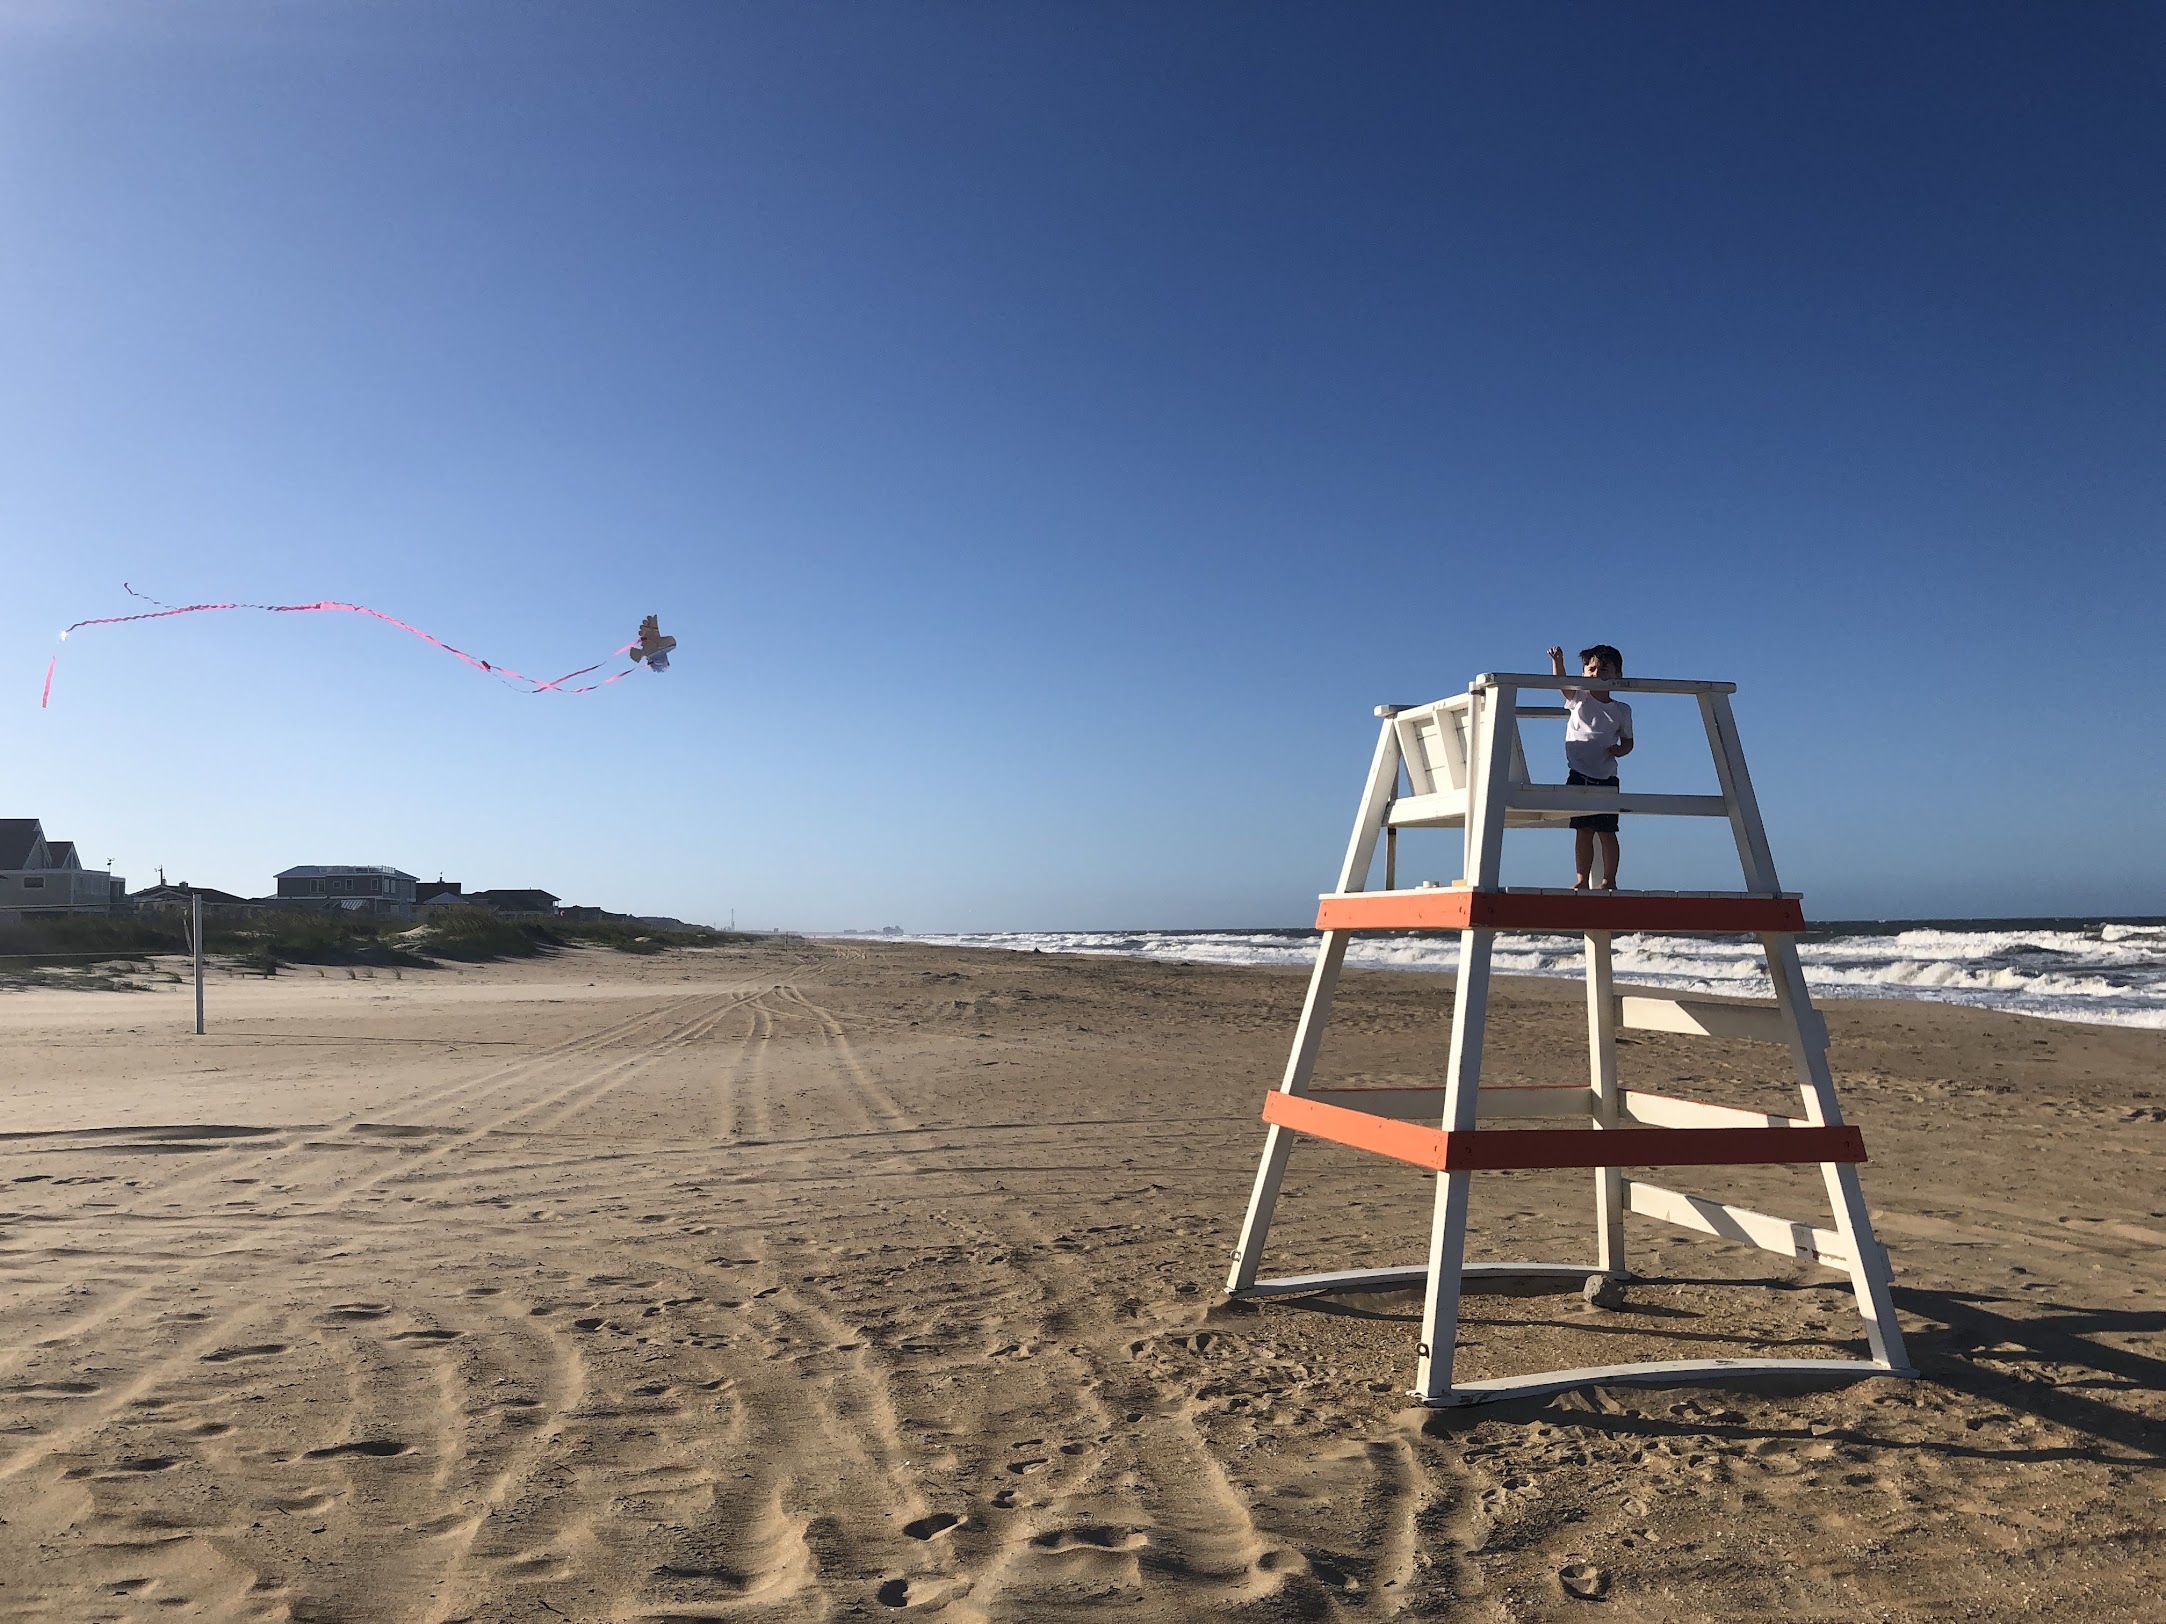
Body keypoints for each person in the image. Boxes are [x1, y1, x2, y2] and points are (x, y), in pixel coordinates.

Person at [1547, 644, 1633, 890]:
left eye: (1604, 669)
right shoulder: (1580, 697)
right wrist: (1558, 663)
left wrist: (1621, 750)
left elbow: (1628, 741)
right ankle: (1582, 878)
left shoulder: (1621, 710)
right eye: (1591, 669)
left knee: (1607, 832)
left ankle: (1610, 879)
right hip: (1579, 773)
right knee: (1583, 830)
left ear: (1618, 675)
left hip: (1606, 776)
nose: (1597, 674)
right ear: (1583, 673)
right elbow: (1560, 683)